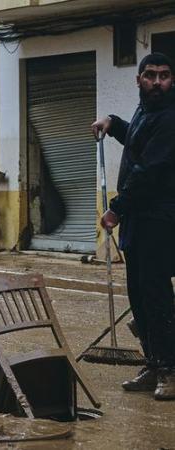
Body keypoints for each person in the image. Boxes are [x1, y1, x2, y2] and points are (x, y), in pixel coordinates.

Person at [91, 52, 175, 401]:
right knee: (138, 295)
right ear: (138, 80)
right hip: (139, 223)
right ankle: (153, 364)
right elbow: (137, 142)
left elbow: (149, 172)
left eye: (164, 76)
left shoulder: (170, 118)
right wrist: (114, 123)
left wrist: (116, 209)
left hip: (159, 219)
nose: (157, 82)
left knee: (156, 296)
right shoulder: (146, 111)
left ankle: (170, 369)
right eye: (151, 75)